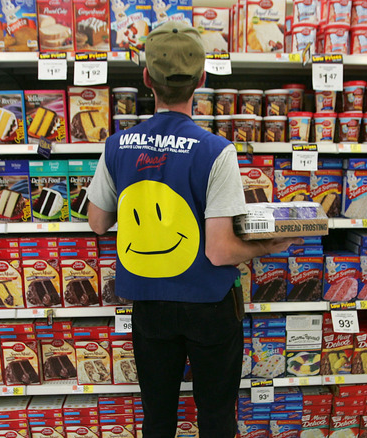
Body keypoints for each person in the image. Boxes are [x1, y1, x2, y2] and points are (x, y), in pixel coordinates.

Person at [87, 21, 302, 438]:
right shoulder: (216, 151)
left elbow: (98, 222)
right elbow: (220, 252)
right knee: (216, 417)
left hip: (149, 304)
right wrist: (271, 244)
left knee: (158, 417)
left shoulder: (117, 145)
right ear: (202, 80)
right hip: (209, 305)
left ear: (147, 78)